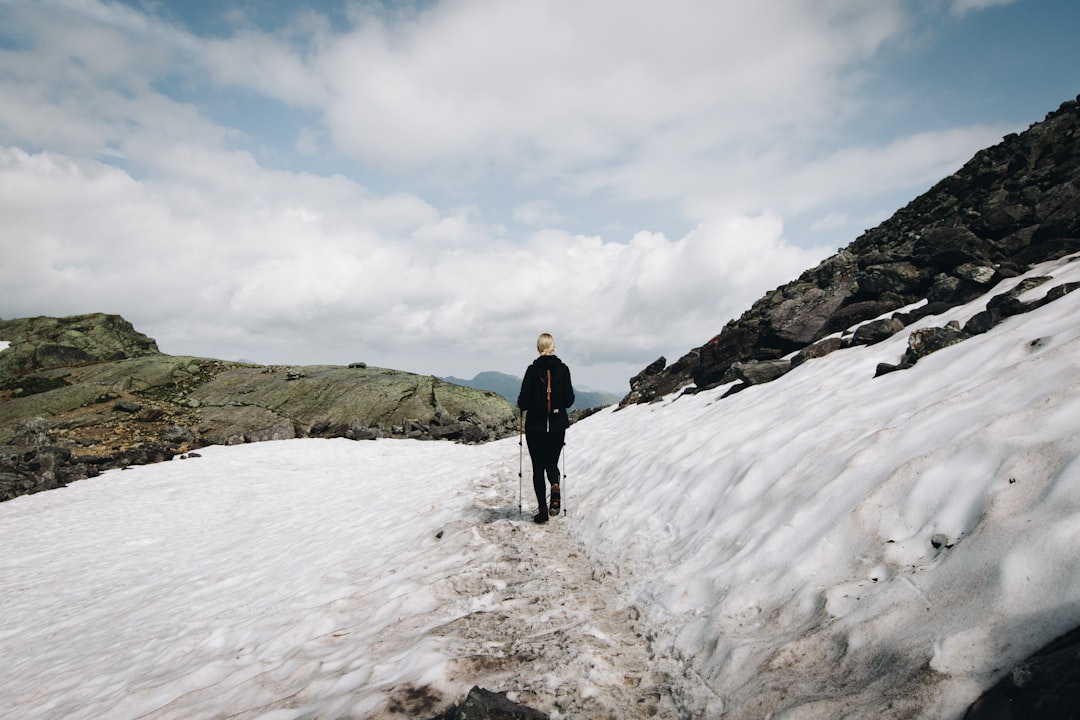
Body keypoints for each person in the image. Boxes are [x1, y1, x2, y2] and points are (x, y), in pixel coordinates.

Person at [517, 333, 575, 524]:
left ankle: (542, 511)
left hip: (535, 426)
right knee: (552, 463)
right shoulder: (564, 369)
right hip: (557, 426)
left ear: (538, 349)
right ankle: (555, 485)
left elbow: (523, 401)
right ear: (553, 347)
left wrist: (523, 404)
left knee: (537, 467)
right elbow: (569, 399)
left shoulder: (532, 371)